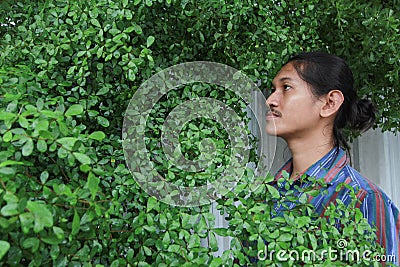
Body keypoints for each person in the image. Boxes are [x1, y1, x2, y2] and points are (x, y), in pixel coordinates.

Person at [265, 51, 400, 265]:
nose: (271, 100)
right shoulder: (265, 197)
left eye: (286, 88)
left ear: (329, 103)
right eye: (273, 90)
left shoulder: (363, 199)